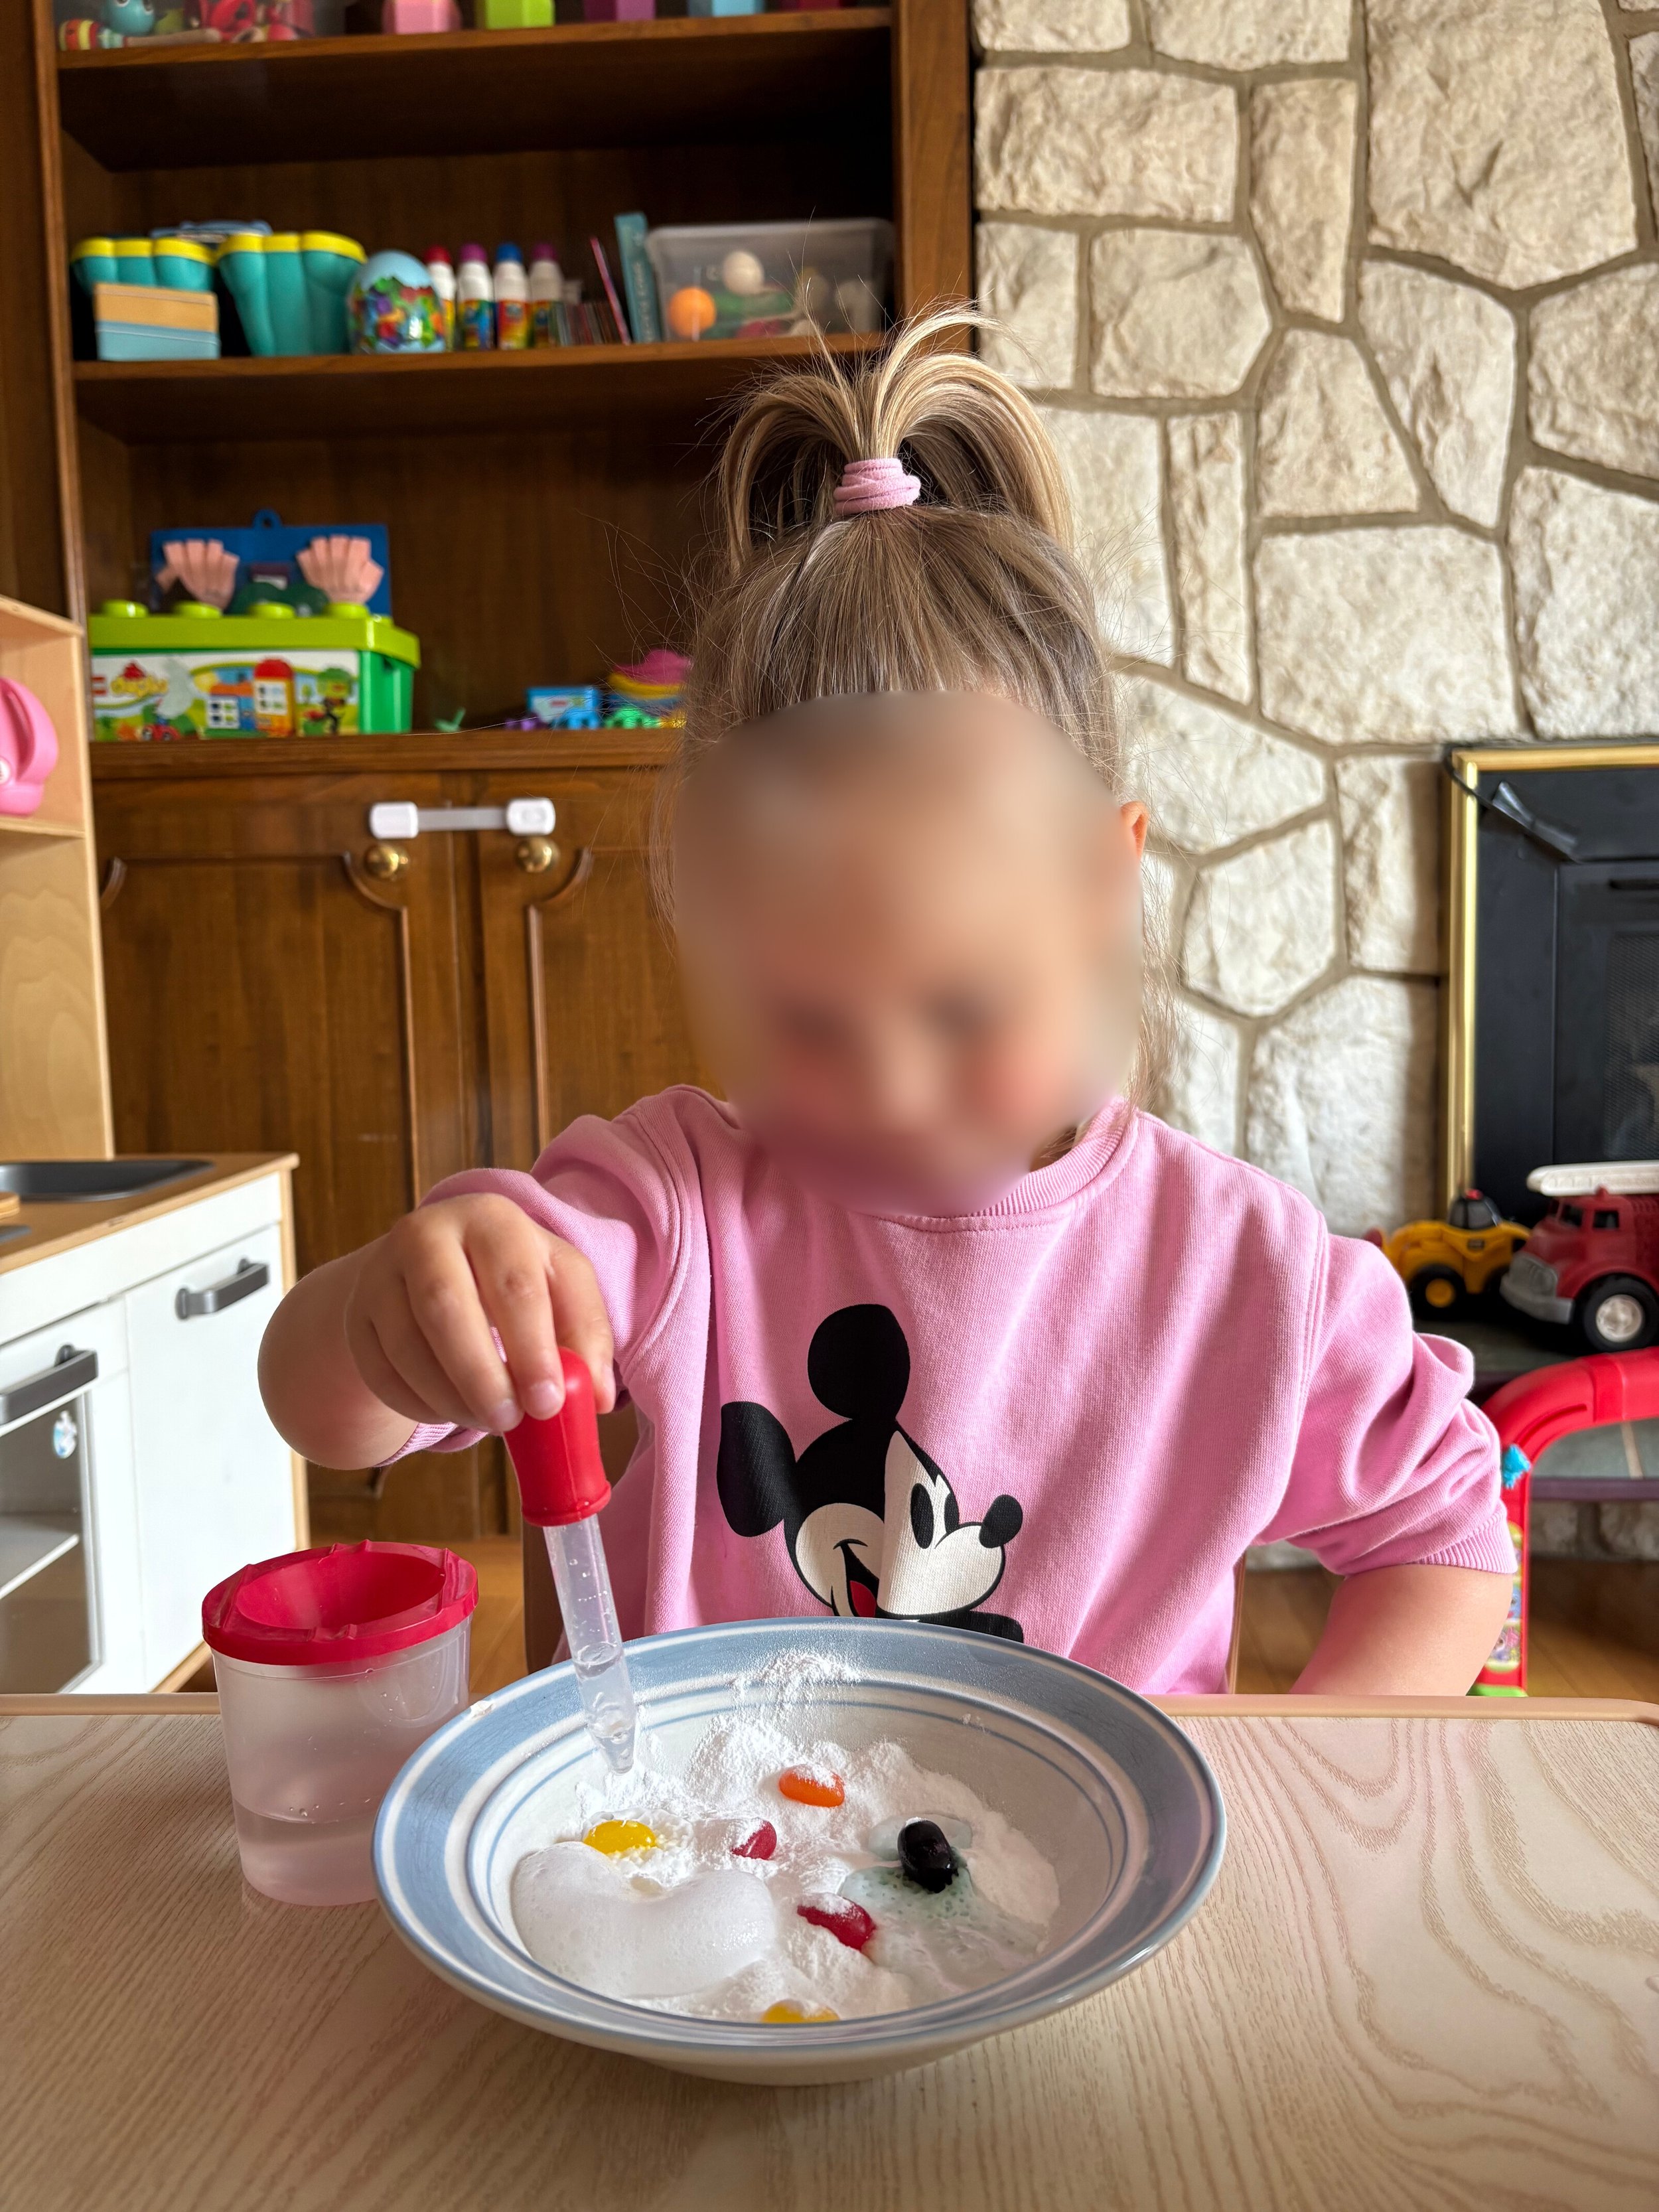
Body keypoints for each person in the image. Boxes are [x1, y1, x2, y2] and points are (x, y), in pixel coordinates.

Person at [259, 313, 1513, 1694]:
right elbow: (322, 1410)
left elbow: (1442, 1533)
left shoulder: (1238, 1269)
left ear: (1106, 882)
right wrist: (394, 1312)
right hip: (700, 1879)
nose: (892, 1087)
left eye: (966, 1009)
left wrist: (1287, 1804)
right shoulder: (670, 1209)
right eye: (803, 1023)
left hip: (1102, 1897)